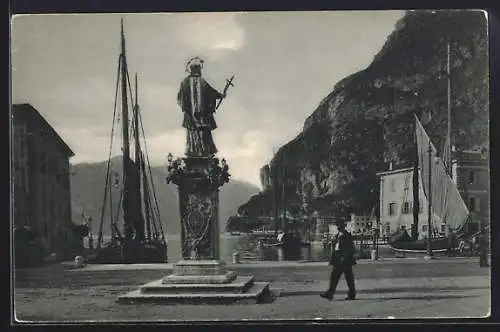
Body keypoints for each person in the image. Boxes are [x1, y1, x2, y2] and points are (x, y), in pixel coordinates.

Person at [177, 56, 226, 157]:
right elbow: (211, 93)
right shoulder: (200, 82)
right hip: (199, 116)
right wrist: (220, 95)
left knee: (194, 133)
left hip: (193, 116)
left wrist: (186, 108)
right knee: (200, 133)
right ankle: (201, 151)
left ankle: (195, 151)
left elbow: (180, 99)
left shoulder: (186, 82)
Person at [320, 219, 357, 301]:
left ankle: (351, 294)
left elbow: (350, 248)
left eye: (340, 225)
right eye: (338, 225)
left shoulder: (347, 236)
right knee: (335, 277)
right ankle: (330, 294)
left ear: (344, 226)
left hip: (345, 260)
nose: (339, 227)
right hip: (337, 259)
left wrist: (345, 257)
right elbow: (335, 247)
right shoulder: (337, 235)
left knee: (348, 278)